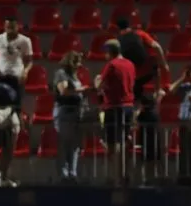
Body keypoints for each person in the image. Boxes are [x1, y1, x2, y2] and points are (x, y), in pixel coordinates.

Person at [95, 39, 136, 187]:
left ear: (109, 52)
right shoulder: (130, 64)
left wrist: (97, 80)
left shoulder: (111, 65)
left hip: (114, 107)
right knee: (124, 141)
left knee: (114, 143)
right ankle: (124, 174)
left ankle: (118, 176)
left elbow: (98, 86)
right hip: (129, 106)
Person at [53, 51, 87, 183]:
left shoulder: (75, 76)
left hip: (76, 112)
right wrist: (83, 89)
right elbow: (64, 91)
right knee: (64, 144)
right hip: (65, 112)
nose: (79, 65)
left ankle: (73, 173)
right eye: (77, 61)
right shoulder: (61, 73)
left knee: (74, 145)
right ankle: (63, 174)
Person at [116, 18, 170, 99]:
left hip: (131, 77)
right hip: (146, 72)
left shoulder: (117, 40)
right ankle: (158, 90)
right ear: (129, 26)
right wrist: (164, 64)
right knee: (154, 63)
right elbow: (157, 47)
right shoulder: (139, 33)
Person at [0, 17, 33, 113]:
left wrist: (25, 72)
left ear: (17, 27)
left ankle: (17, 126)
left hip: (17, 78)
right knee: (0, 107)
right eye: (7, 27)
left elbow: (29, 61)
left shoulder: (25, 40)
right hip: (1, 76)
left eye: (12, 27)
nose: (10, 30)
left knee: (16, 107)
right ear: (4, 27)